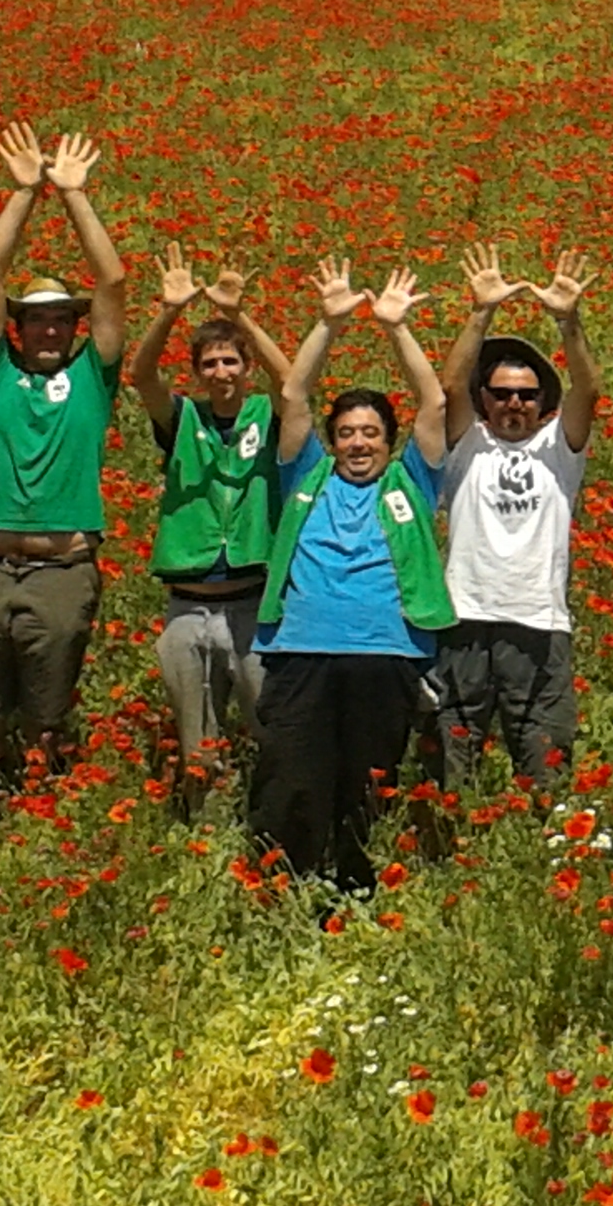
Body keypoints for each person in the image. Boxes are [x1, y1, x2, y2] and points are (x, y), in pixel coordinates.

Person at [249, 261, 455, 894]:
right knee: (291, 779)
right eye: (347, 434)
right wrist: (329, 323)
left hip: (385, 653)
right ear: (331, 443)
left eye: (370, 433)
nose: (358, 444)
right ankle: (281, 894)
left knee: (369, 781)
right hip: (300, 651)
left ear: (389, 442)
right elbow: (292, 397)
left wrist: (396, 329)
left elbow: (435, 401)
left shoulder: (412, 483)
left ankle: (358, 894)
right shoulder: (304, 475)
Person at [0, 122, 128, 795]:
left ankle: (44, 806)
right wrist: (24, 194)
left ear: (74, 329)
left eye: (62, 319)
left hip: (60, 570)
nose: (50, 329)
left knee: (50, 712)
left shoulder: (91, 379)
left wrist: (75, 195)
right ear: (18, 328)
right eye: (38, 319)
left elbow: (111, 283)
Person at [427, 244, 602, 792]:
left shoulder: (559, 450)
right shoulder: (466, 446)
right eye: (501, 394)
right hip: (464, 617)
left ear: (540, 402)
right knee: (454, 750)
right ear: (485, 398)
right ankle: (449, 851)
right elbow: (447, 388)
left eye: (526, 396)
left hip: (538, 622)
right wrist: (481, 312)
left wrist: (568, 320)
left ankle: (549, 852)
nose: (514, 404)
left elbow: (589, 389)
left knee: (545, 754)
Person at [129, 243, 293, 813]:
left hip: (251, 604)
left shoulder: (267, 418)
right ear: (196, 373)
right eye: (210, 363)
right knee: (197, 743)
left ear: (246, 367)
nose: (221, 372)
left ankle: (267, 826)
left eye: (231, 361)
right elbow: (140, 373)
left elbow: (292, 382)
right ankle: (204, 833)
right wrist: (171, 311)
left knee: (268, 726)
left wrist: (240, 313)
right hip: (187, 606)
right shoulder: (182, 419)